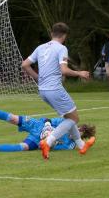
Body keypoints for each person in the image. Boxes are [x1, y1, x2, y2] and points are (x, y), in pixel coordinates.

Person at [21, 22, 95, 160]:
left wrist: (37, 77)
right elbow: (64, 70)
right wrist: (80, 73)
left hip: (43, 91)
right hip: (54, 89)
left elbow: (25, 64)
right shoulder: (61, 48)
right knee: (74, 118)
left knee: (68, 116)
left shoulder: (40, 47)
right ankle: (47, 142)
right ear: (65, 36)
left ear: (51, 34)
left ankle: (81, 145)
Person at [0, 103, 96, 153]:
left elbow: (53, 147)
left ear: (81, 136)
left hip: (37, 140)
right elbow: (48, 120)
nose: (77, 131)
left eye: (80, 133)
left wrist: (47, 143)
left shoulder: (70, 145)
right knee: (13, 118)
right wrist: (48, 126)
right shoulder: (66, 122)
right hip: (38, 125)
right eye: (79, 129)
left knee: (23, 147)